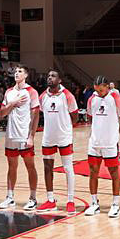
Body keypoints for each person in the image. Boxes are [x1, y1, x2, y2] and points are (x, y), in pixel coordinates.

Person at [84, 76, 120, 218]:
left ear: (107, 86)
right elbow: (90, 117)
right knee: (93, 172)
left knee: (113, 173)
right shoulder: (92, 98)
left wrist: (115, 134)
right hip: (94, 142)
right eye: (97, 89)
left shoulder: (116, 97)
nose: (99, 92)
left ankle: (115, 204)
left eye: (101, 89)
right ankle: (94, 203)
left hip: (110, 142)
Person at [0, 67, 40, 210]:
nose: (17, 73)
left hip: (24, 135)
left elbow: (36, 115)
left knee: (30, 167)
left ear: (26, 75)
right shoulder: (9, 92)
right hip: (11, 135)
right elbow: (1, 114)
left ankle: (33, 198)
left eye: (20, 71)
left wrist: (31, 136)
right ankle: (10, 197)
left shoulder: (31, 92)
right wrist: (13, 103)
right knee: (11, 167)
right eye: (16, 71)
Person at [38, 70, 79, 212]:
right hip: (48, 137)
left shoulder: (68, 96)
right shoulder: (43, 96)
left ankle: (70, 200)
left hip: (64, 137)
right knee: (47, 168)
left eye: (53, 76)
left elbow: (75, 116)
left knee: (68, 168)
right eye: (48, 76)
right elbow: (42, 113)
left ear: (60, 80)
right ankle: (50, 200)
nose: (50, 78)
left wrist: (66, 128)